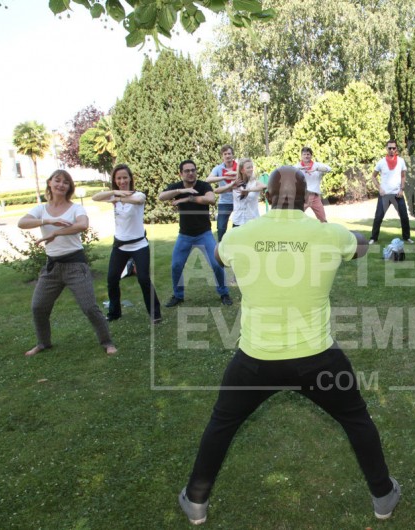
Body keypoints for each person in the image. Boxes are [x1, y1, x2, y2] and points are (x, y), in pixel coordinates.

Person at [178, 166, 400, 524]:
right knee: (356, 418)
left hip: (256, 359)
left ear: (265, 198)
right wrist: (340, 230)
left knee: (222, 423)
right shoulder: (327, 234)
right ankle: (383, 496)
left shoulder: (243, 235)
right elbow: (359, 247)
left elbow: (220, 255)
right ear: (306, 199)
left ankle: (196, 501)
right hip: (318, 359)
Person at [17, 170, 117, 356]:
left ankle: (107, 342)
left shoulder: (75, 208)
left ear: (69, 187)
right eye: (57, 181)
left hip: (75, 265)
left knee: (89, 307)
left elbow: (82, 225)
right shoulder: (41, 209)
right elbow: (22, 223)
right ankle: (43, 343)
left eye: (65, 182)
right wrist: (48, 220)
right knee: (38, 307)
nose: (61, 185)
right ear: (49, 183)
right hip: (52, 267)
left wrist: (56, 232)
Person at [92, 164, 162, 323]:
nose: (122, 181)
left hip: (139, 245)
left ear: (130, 178)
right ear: (115, 180)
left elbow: (137, 200)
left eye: (125, 177)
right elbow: (95, 197)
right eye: (118, 178)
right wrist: (114, 193)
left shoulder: (139, 195)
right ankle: (114, 313)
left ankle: (155, 314)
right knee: (112, 279)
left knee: (144, 279)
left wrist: (117, 198)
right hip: (120, 246)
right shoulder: (114, 196)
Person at [159, 159, 232, 307]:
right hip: (184, 235)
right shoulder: (178, 187)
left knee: (217, 264)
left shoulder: (203, 185)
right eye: (187, 171)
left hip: (204, 234)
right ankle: (178, 296)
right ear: (181, 174)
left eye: (193, 170)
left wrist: (189, 198)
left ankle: (224, 293)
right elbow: (161, 196)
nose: (191, 173)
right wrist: (181, 191)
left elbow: (211, 199)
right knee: (176, 265)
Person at [368, 139, 414, 245]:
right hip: (384, 195)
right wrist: (379, 188)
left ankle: (406, 238)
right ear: (386, 149)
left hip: (397, 194)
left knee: (404, 217)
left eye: (394, 148)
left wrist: (402, 189)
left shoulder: (401, 161)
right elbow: (373, 176)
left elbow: (403, 176)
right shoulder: (381, 162)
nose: (392, 150)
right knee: (378, 217)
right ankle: (373, 238)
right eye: (390, 148)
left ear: (396, 149)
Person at [216, 158, 267, 228]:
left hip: (252, 221)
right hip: (238, 221)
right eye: (248, 168)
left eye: (252, 167)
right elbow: (216, 191)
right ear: (242, 170)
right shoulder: (235, 183)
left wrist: (248, 190)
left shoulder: (255, 183)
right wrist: (231, 185)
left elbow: (264, 186)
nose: (251, 169)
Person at [205, 144, 238, 241]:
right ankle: (220, 248)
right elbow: (208, 179)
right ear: (222, 156)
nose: (227, 156)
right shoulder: (218, 168)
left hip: (239, 201)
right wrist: (224, 177)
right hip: (224, 202)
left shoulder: (239, 167)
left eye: (229, 153)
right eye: (225, 154)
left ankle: (235, 245)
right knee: (221, 227)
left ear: (233, 155)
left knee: (238, 227)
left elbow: (249, 175)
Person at [294, 146, 331, 222]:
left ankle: (325, 232)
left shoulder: (316, 165)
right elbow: (289, 172)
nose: (306, 156)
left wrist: (316, 169)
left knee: (322, 218)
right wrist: (298, 170)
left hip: (315, 196)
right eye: (304, 154)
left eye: (308, 154)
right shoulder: (297, 166)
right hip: (303, 197)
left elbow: (329, 169)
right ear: (301, 156)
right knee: (295, 217)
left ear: (311, 155)